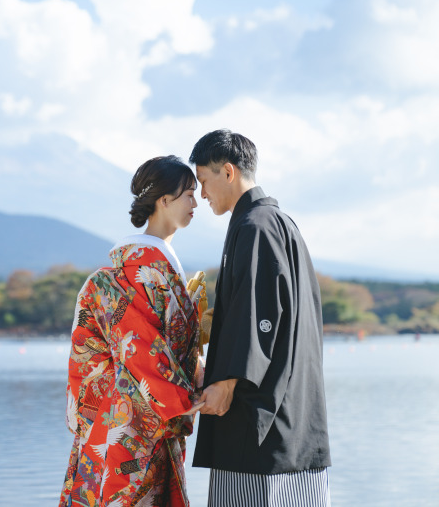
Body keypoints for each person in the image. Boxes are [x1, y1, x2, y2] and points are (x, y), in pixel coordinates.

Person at [189, 129, 331, 506]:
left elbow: (260, 311)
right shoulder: (278, 222)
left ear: (229, 172)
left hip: (259, 415)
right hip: (293, 407)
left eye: (204, 181)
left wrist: (228, 381)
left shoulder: (255, 226)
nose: (202, 194)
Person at [59, 155, 204, 507]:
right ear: (164, 200)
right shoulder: (138, 270)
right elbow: (139, 348)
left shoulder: (153, 264)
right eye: (188, 194)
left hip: (144, 417)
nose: (195, 203)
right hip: (130, 425)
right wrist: (190, 398)